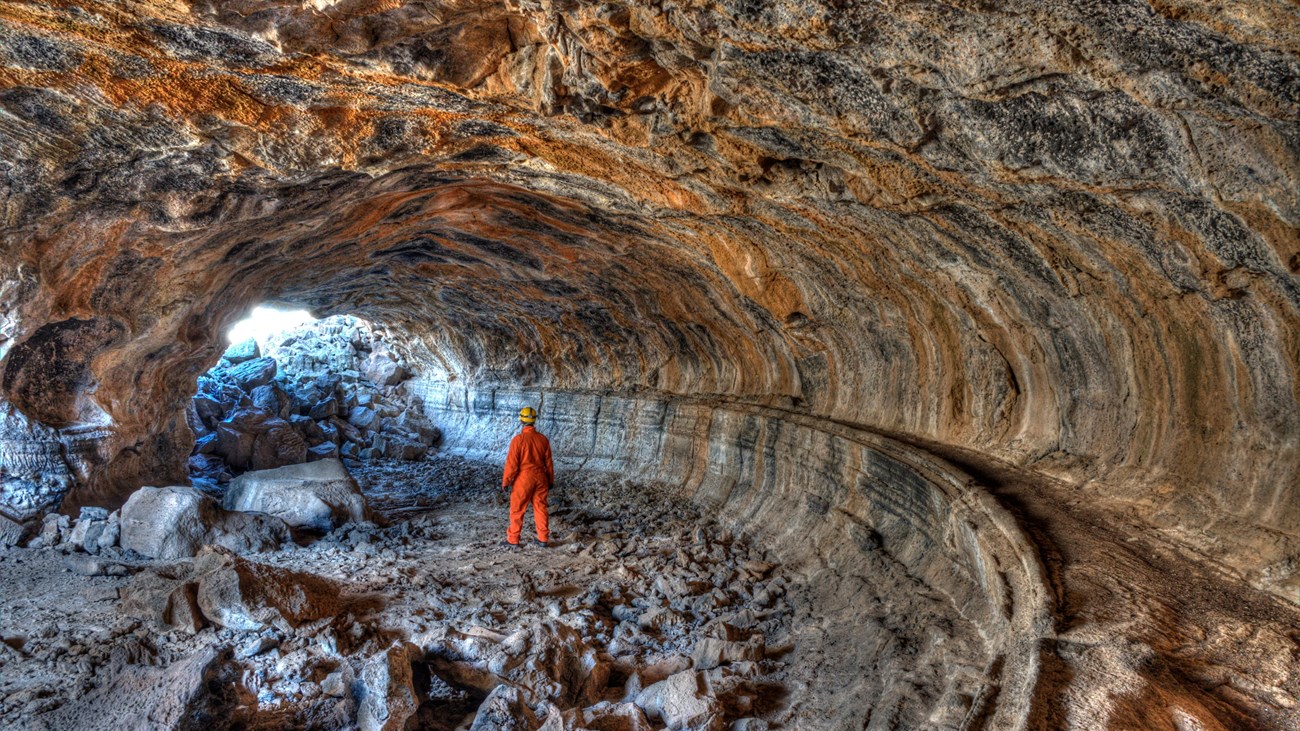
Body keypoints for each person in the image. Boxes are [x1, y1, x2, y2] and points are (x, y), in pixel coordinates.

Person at [501, 406, 554, 548]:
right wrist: (550, 480)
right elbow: (549, 463)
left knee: (517, 509)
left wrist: (506, 481)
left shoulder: (518, 440)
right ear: (535, 420)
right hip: (541, 478)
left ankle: (513, 540)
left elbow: (512, 464)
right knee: (541, 507)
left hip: (524, 479)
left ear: (521, 420)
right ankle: (543, 539)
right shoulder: (543, 440)